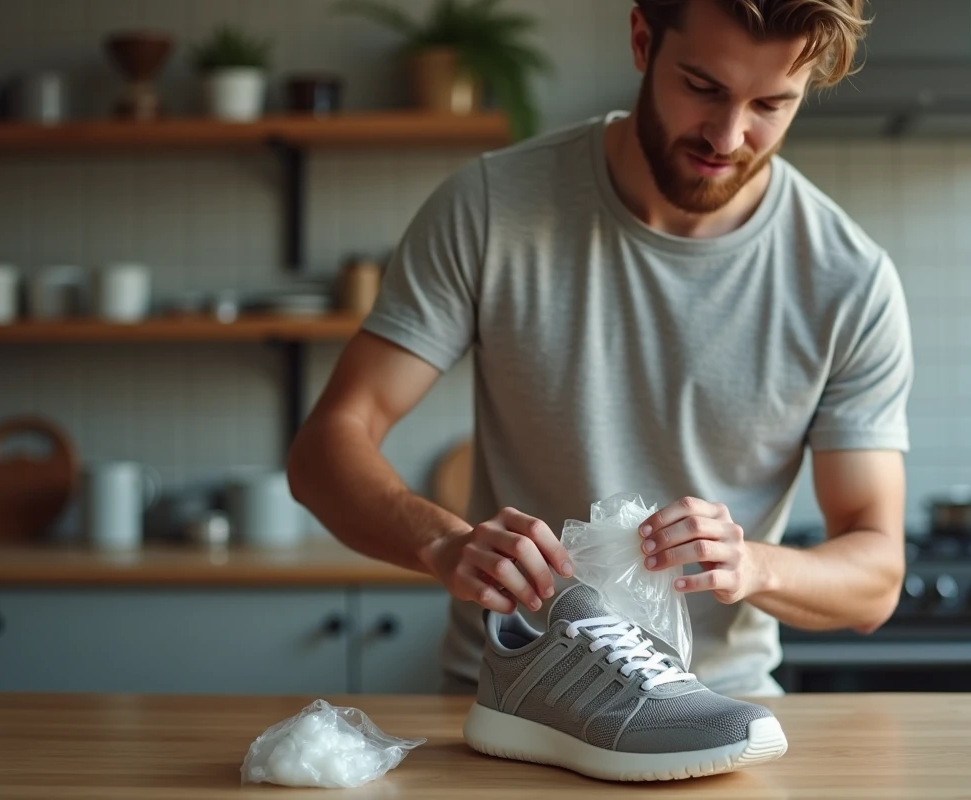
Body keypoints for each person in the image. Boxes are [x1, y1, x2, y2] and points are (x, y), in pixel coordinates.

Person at [287, 0, 912, 698]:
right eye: (702, 87)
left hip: (719, 706)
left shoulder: (848, 281)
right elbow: (325, 449)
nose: (727, 135)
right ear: (643, 40)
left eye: (771, 103)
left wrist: (755, 566)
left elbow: (877, 577)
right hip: (510, 700)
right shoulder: (490, 207)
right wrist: (440, 543)